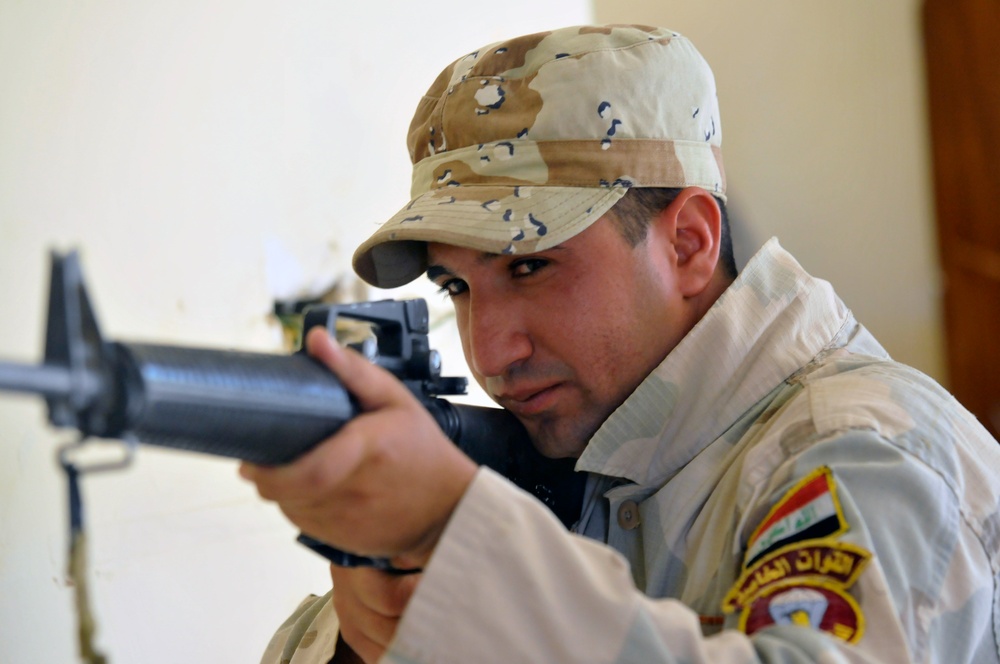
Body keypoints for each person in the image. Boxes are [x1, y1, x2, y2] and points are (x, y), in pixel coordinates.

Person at [242, 24, 1000, 664]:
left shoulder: (867, 455)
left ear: (691, 243)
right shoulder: (588, 450)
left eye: (531, 265)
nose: (491, 351)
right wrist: (373, 623)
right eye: (457, 288)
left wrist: (466, 547)